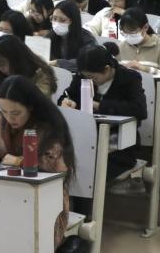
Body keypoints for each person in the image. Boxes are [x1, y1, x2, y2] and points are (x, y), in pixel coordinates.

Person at [0, 75, 75, 250]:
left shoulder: (48, 125)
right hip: (6, 190)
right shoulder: (2, 119)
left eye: (16, 113)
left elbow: (56, 168)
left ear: (30, 107)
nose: (9, 118)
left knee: (26, 241)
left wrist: (19, 161)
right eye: (4, 111)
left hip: (45, 197)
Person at [60, 45, 147, 180]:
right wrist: (66, 101)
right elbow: (68, 95)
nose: (89, 81)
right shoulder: (83, 76)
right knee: (65, 164)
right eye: (85, 76)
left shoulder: (129, 78)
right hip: (85, 140)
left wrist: (100, 106)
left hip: (119, 146)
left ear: (107, 69)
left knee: (89, 171)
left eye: (93, 77)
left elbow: (139, 109)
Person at [0, 34, 56, 102]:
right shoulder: (2, 72)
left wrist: (9, 97)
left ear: (16, 60)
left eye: (2, 64)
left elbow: (40, 100)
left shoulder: (41, 73)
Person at [116, 8, 160, 75]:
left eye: (132, 33)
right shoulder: (120, 47)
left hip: (154, 82)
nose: (128, 36)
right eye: (125, 33)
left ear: (146, 27)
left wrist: (145, 69)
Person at [47, 0, 96, 72]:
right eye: (54, 19)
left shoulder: (87, 39)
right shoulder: (51, 35)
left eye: (62, 20)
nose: (57, 23)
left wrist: (58, 63)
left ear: (73, 21)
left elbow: (87, 61)